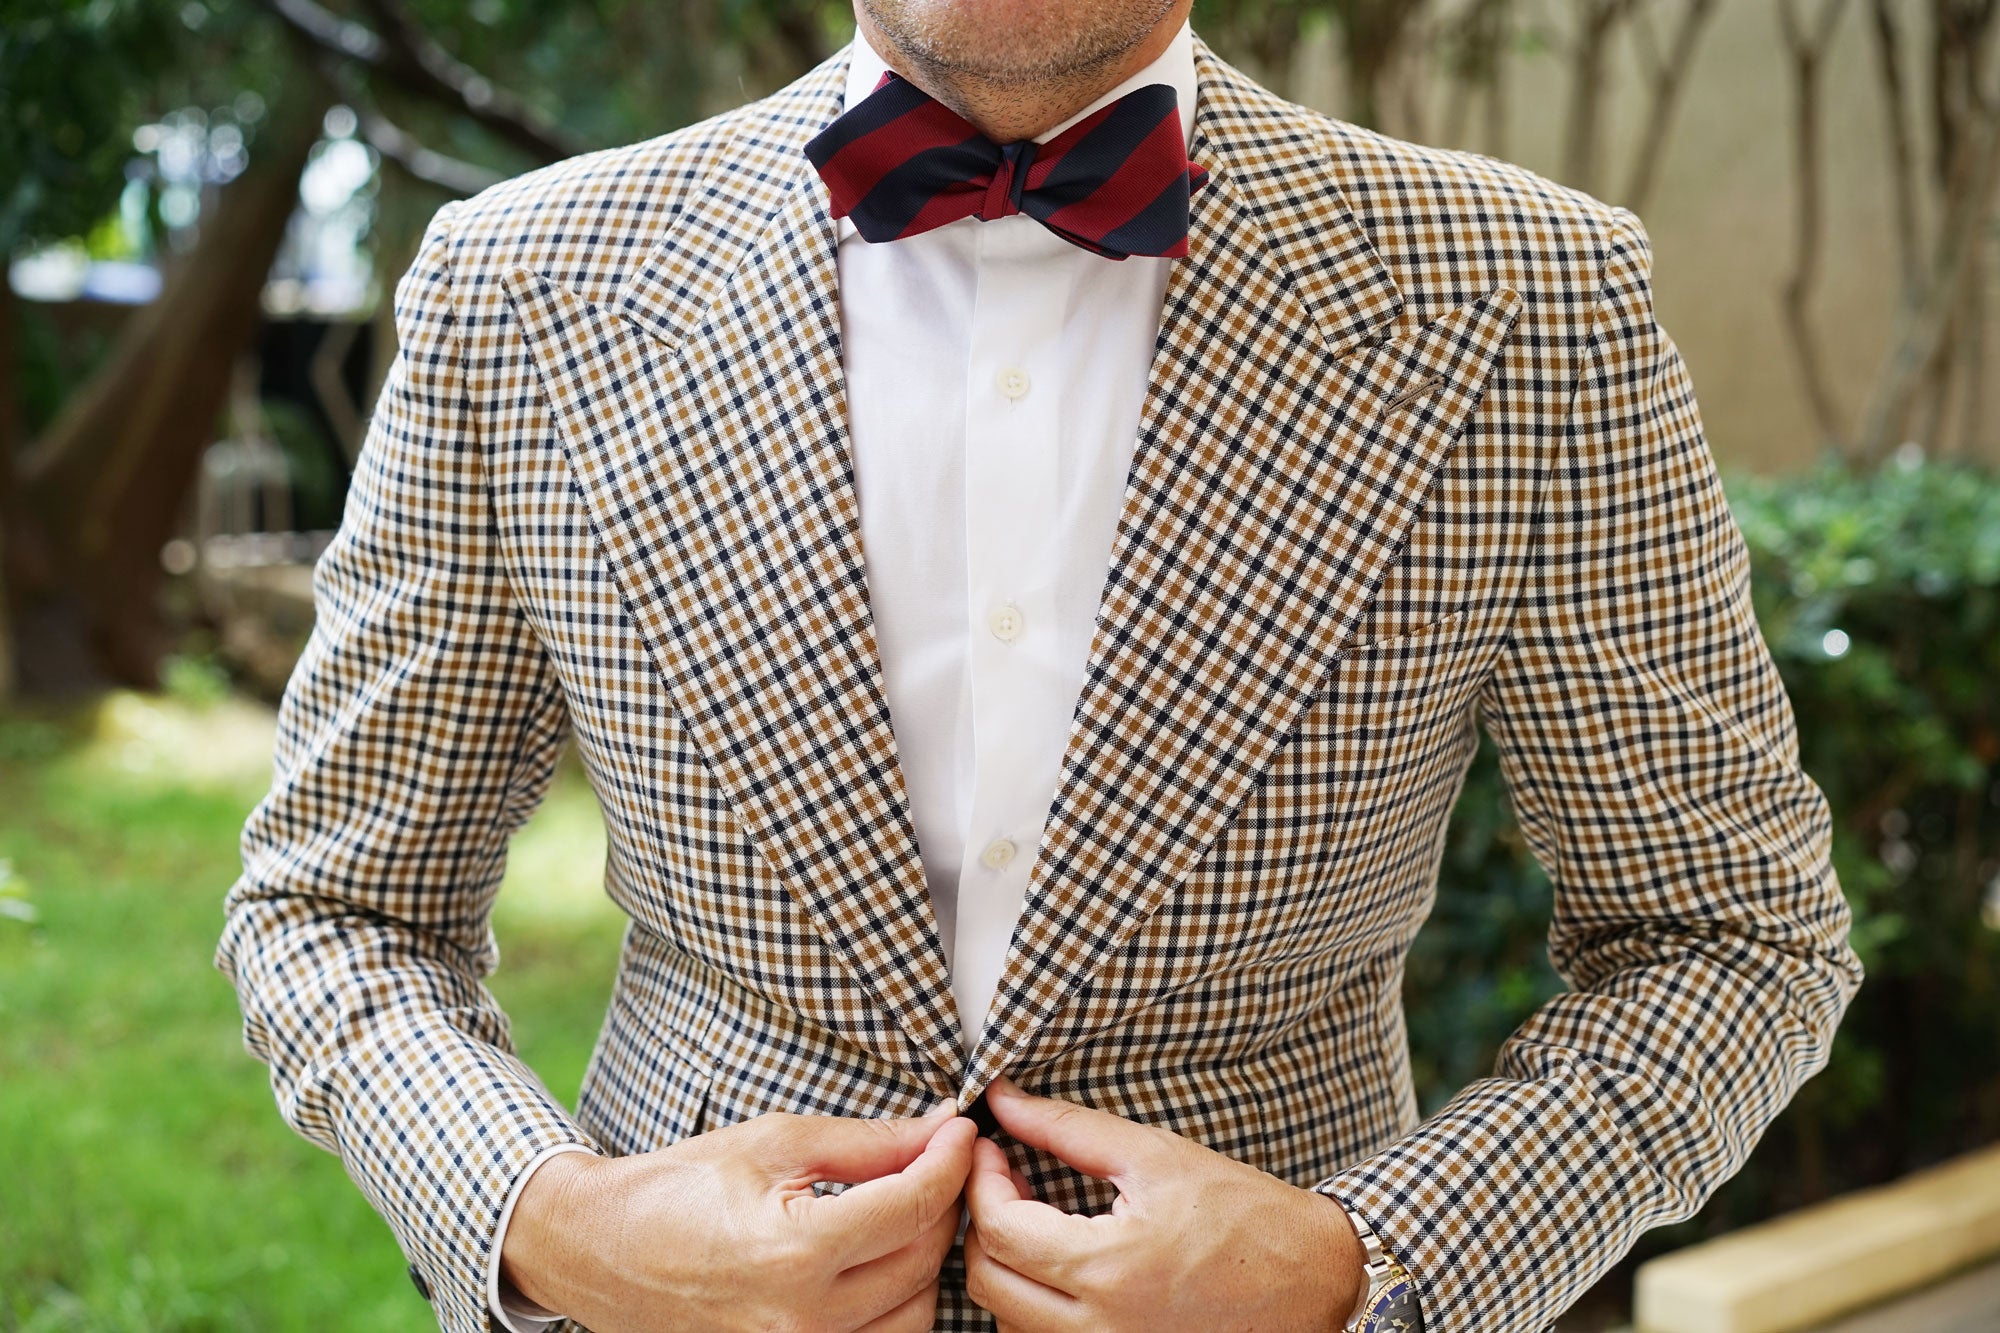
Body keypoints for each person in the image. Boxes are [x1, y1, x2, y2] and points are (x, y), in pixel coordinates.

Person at [216, 0, 1865, 1329]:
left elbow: (1729, 937)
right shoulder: (525, 286)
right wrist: (549, 1224)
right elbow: (337, 910)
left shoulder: (1528, 300)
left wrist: (1377, 1261)